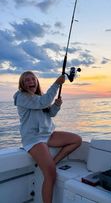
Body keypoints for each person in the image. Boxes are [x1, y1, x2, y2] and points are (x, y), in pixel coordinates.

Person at [14, 71, 82, 203]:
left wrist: (56, 105)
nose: (30, 82)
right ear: (22, 84)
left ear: (36, 81)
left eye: (32, 79)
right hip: (33, 138)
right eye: (26, 80)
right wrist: (57, 83)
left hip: (47, 135)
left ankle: (53, 162)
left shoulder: (39, 97)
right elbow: (43, 103)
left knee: (76, 140)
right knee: (51, 175)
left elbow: (50, 113)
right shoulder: (21, 97)